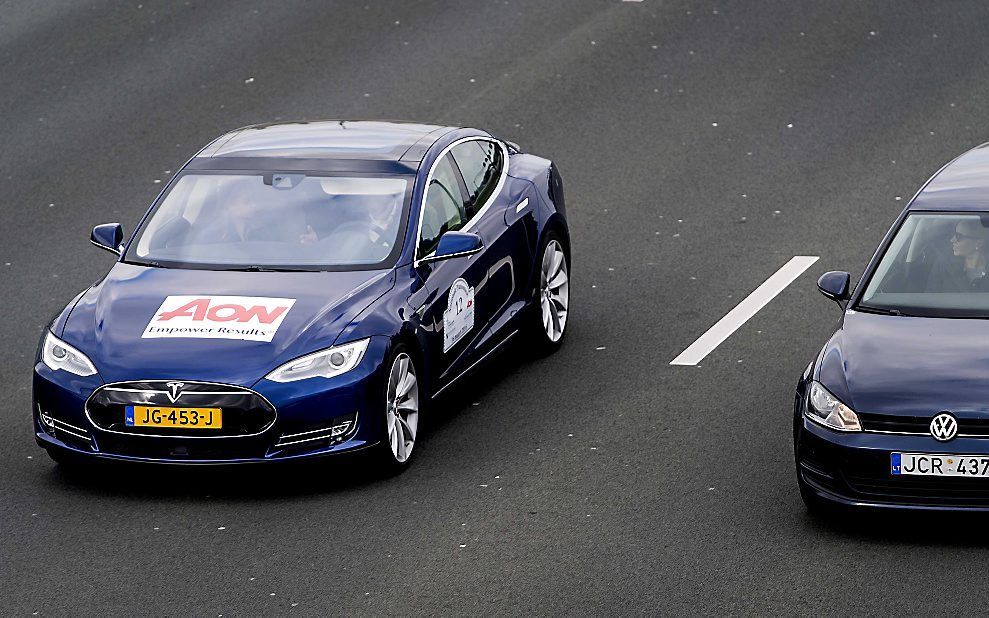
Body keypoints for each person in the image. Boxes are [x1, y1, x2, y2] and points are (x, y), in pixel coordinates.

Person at [949, 219, 989, 288]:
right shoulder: (945, 265)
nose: (952, 240)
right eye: (954, 235)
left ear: (978, 243)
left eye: (958, 237)